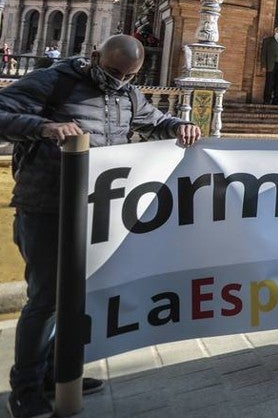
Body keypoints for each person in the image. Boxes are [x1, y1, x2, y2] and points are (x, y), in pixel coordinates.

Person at [0, 35, 201, 418]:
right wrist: (43, 127)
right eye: (112, 72)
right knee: (45, 299)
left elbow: (155, 122)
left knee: (77, 296)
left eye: (128, 76)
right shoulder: (54, 81)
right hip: (46, 206)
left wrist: (180, 126)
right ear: (95, 57)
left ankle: (59, 372)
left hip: (95, 210)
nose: (118, 81)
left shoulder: (129, 94)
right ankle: (25, 388)